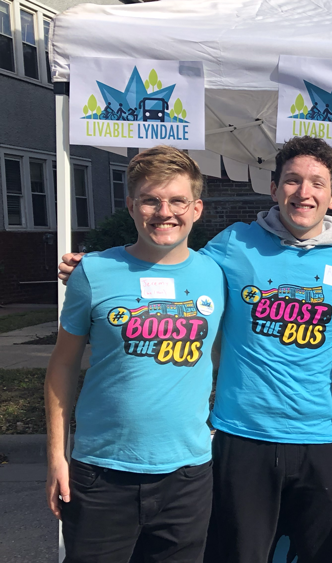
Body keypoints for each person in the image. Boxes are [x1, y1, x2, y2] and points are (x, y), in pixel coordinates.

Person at [60, 136, 332, 563]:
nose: (304, 193)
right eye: (292, 181)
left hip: (321, 437)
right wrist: (101, 265)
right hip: (241, 437)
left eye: (317, 183)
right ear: (273, 188)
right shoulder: (233, 245)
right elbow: (169, 258)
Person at [46, 145, 224, 562]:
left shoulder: (216, 274)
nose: (165, 212)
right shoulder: (92, 273)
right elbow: (62, 366)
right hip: (101, 474)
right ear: (130, 206)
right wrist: (56, 456)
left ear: (196, 208)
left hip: (187, 476)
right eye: (151, 200)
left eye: (178, 200)